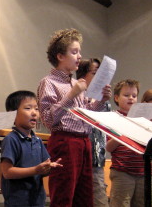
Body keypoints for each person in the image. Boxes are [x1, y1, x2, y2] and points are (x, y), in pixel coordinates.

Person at [37, 28, 111, 207]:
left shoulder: (74, 83)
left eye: (79, 52)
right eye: (74, 52)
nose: (79, 56)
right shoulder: (49, 82)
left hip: (84, 142)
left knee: (84, 198)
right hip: (65, 142)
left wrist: (102, 99)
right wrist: (71, 95)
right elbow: (48, 119)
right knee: (64, 196)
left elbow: (87, 112)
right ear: (60, 56)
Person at [1, 90, 63, 207]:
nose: (34, 113)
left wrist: (50, 168)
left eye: (36, 108)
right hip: (17, 202)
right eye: (28, 108)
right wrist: (35, 170)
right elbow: (7, 172)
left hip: (37, 201)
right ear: (12, 114)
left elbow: (43, 166)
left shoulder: (38, 140)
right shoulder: (11, 139)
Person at [106, 79, 152, 207]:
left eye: (134, 96)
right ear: (116, 98)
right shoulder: (113, 118)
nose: (131, 98)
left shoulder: (143, 119)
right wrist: (123, 131)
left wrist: (150, 126)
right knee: (121, 203)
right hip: (123, 171)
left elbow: (150, 144)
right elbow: (109, 147)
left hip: (144, 171)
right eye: (126, 95)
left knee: (146, 202)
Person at [77, 58, 109, 207]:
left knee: (99, 200)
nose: (100, 78)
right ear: (82, 75)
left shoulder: (104, 101)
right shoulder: (76, 96)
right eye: (95, 73)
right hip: (78, 157)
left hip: (96, 159)